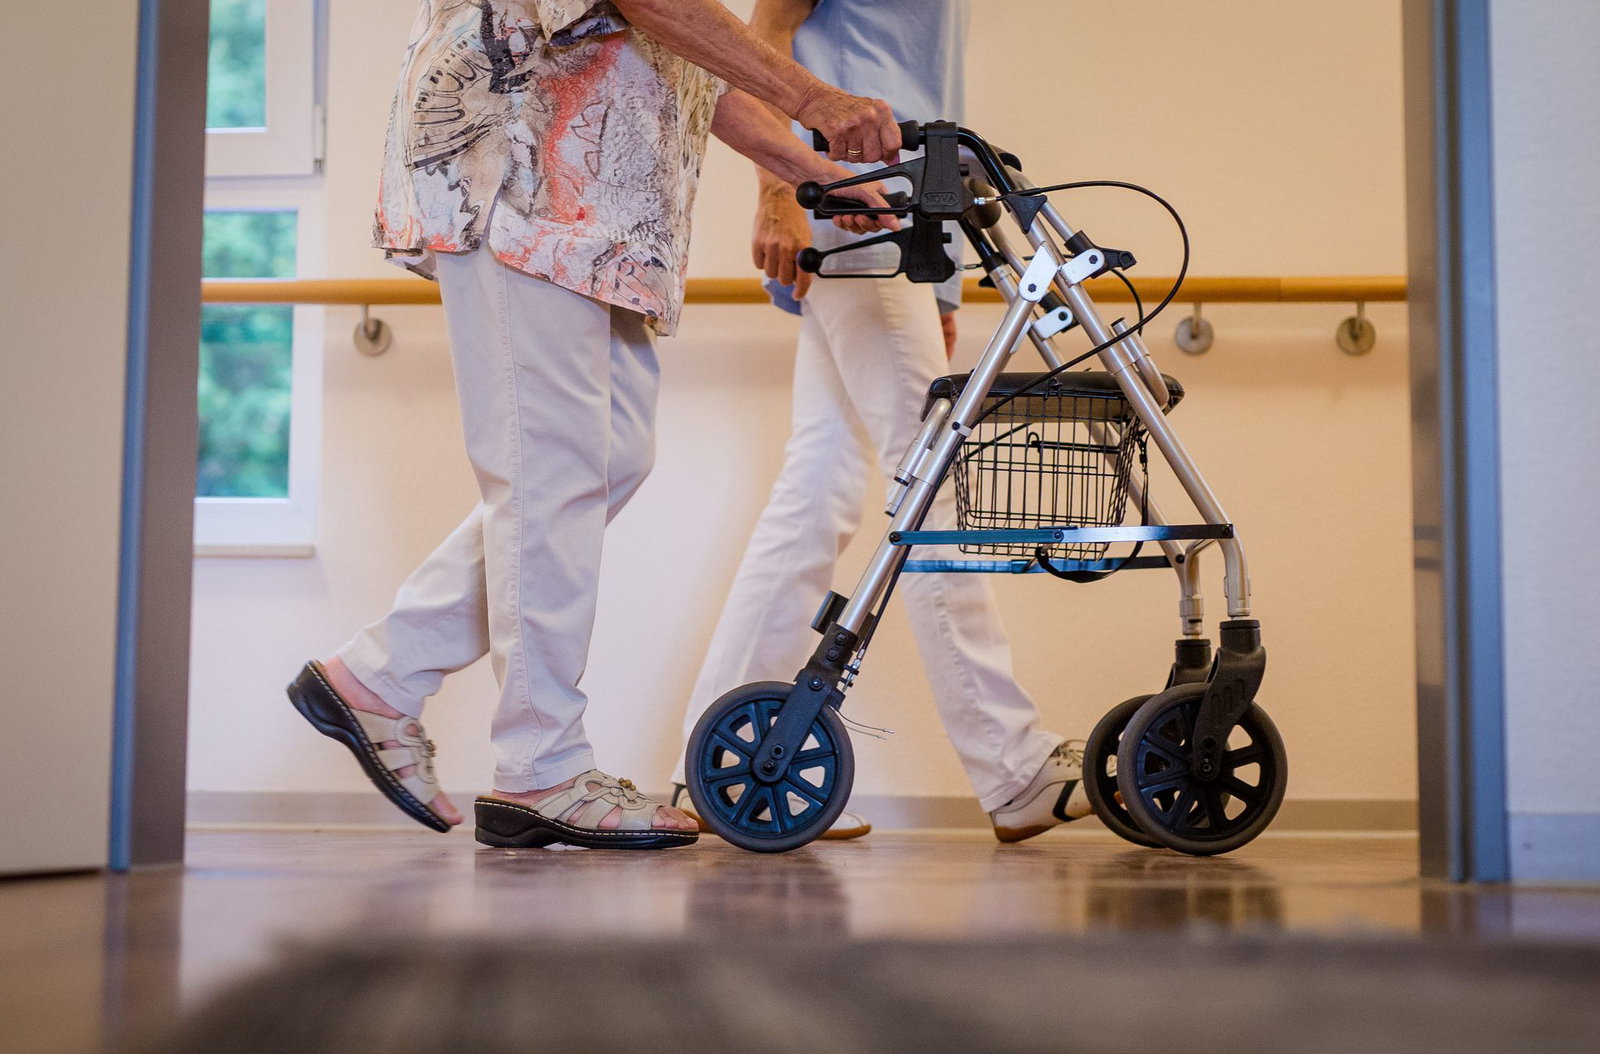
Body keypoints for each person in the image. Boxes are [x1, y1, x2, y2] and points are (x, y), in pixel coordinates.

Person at [286, 0, 903, 851]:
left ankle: (376, 677)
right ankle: (540, 766)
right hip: (521, 171)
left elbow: (678, 54)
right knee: (549, 472)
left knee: (605, 458)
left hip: (590, 208)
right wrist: (813, 98)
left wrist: (803, 166)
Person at [669, 0, 1090, 844]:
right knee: (931, 475)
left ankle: (719, 774)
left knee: (820, 485)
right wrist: (781, 194)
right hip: (854, 212)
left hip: (905, 227)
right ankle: (1013, 768)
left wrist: (942, 284)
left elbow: (923, 89)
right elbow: (766, 38)